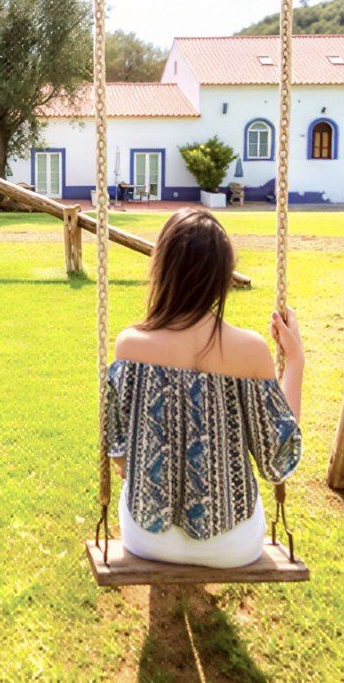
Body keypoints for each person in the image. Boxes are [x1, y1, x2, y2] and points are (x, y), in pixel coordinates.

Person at [105, 208, 304, 567]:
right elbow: (278, 458)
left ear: (161, 268)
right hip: (232, 543)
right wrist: (295, 361)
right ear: (222, 278)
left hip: (146, 537)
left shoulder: (130, 346)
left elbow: (118, 455)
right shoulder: (250, 350)